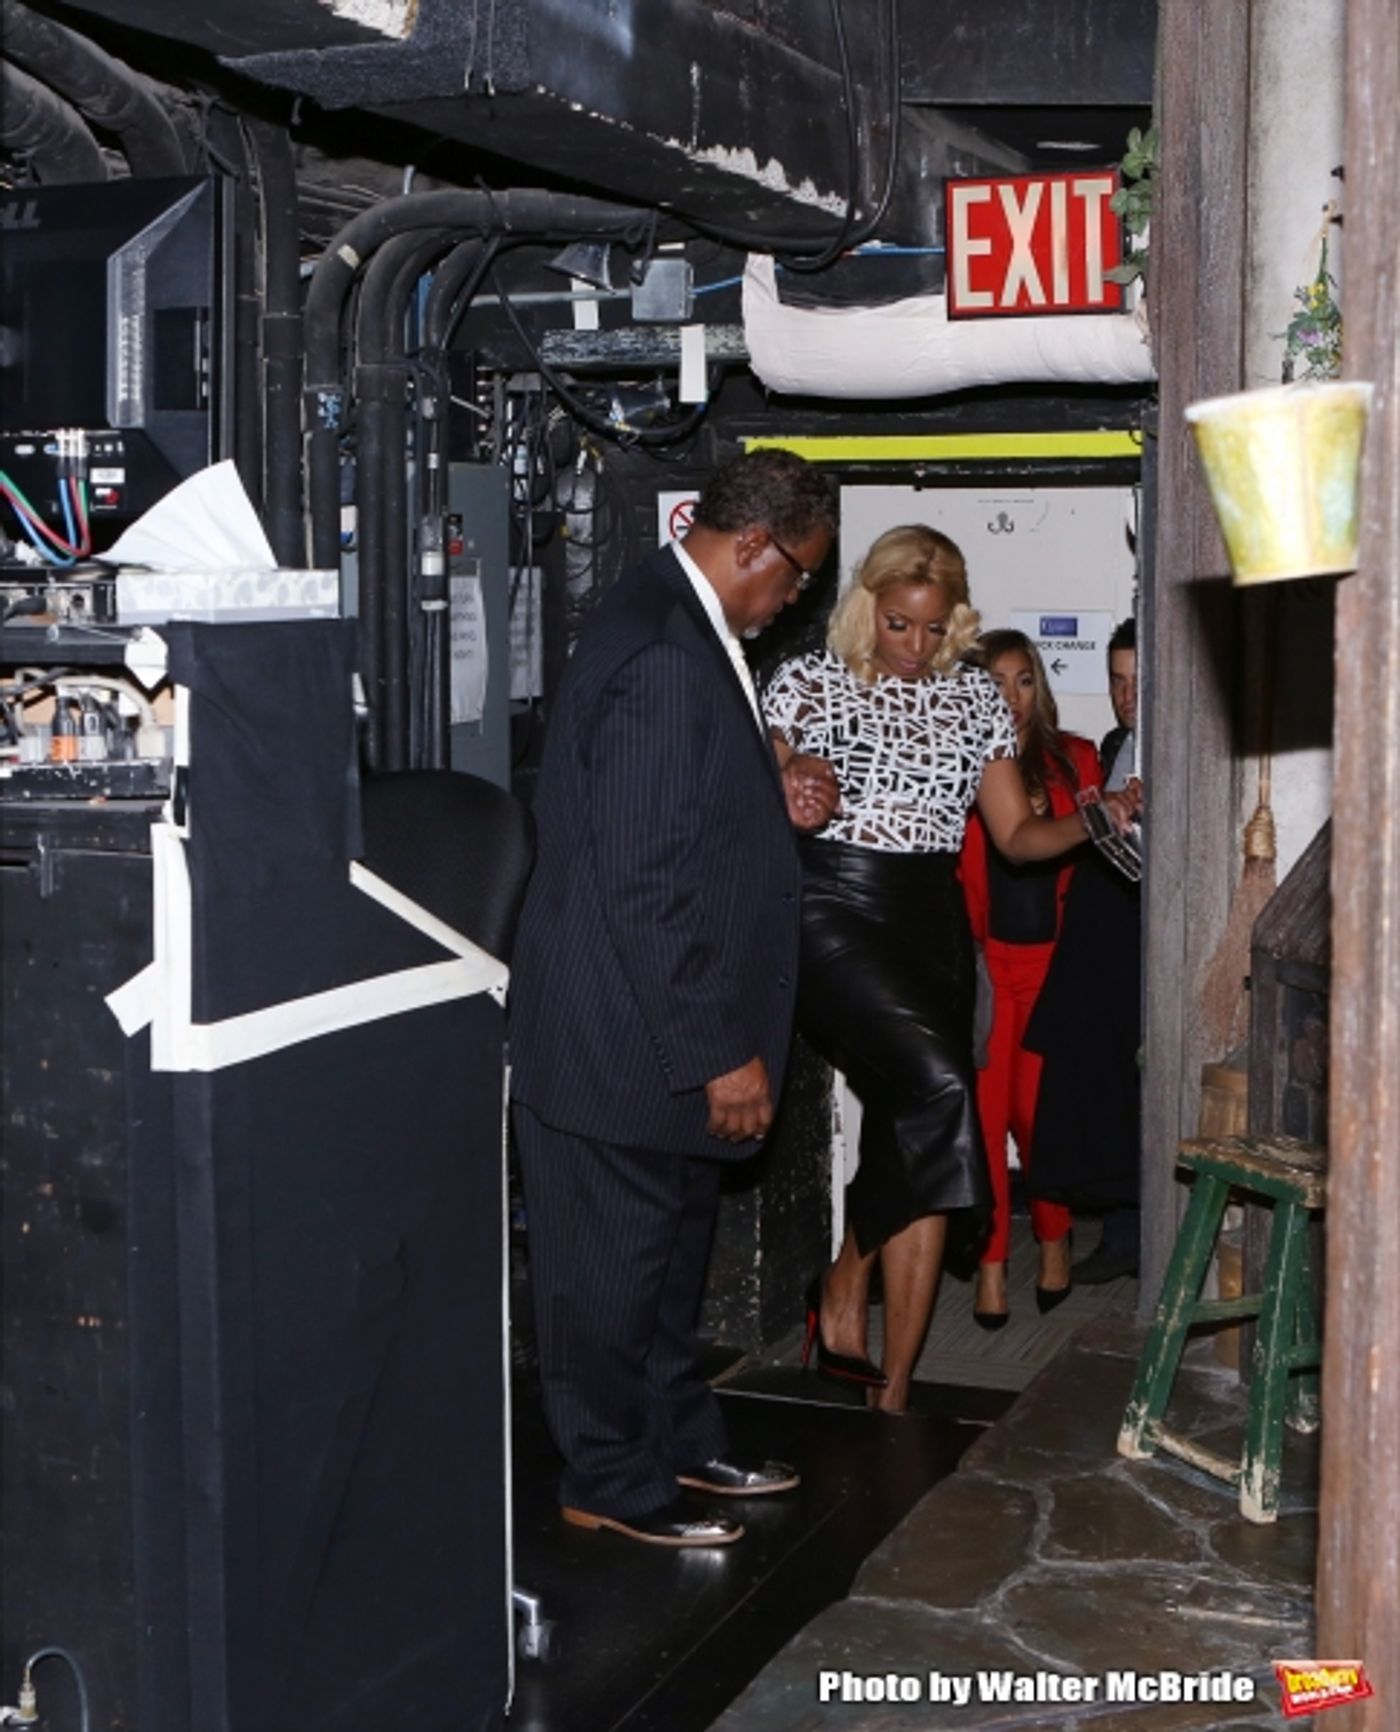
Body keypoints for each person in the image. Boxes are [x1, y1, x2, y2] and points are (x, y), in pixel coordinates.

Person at [509, 449, 840, 1547]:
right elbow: (641, 881)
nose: (792, 600)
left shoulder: (678, 619)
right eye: (793, 577)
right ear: (750, 545)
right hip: (627, 1039)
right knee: (605, 1278)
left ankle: (678, 1437)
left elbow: (685, 808)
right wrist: (719, 1051)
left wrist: (767, 790)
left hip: (652, 1034)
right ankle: (609, 1476)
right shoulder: (661, 649)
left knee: (662, 1268)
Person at [762, 525, 1096, 1414]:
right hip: (831, 905)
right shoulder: (806, 681)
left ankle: (894, 1392)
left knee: (910, 1129)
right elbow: (762, 777)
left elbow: (1021, 839)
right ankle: (844, 1282)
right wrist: (792, 784)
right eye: (897, 623)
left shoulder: (975, 701)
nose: (912, 645)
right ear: (866, 602)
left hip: (933, 923)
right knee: (946, 1089)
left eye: (930, 627)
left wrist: (1101, 822)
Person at [958, 630, 1100, 1327]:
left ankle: (1053, 1240)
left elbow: (1108, 860)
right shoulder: (961, 761)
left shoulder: (1072, 761)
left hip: (1051, 967)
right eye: (995, 682)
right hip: (987, 967)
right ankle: (990, 1266)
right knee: (983, 1124)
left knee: (1037, 1120)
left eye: (1022, 681)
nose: (1010, 697)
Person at [1023, 617, 1143, 1282]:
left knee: (1132, 1088)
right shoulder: (1113, 744)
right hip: (1099, 936)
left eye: (1138, 681)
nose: (1127, 695)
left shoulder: (1172, 750)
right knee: (1100, 1086)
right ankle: (1121, 1237)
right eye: (1117, 681)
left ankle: (1138, 1239)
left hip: (1142, 942)